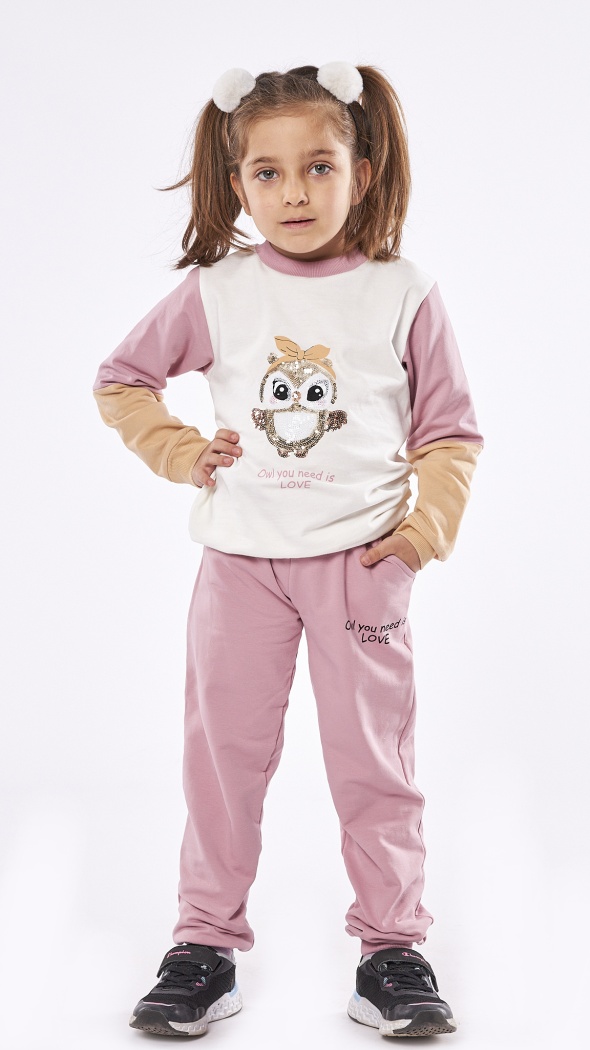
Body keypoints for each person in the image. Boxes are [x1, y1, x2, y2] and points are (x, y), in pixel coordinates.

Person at [92, 61, 484, 1039]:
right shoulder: (218, 291)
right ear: (238, 184)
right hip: (239, 567)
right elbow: (123, 379)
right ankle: (203, 945)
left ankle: (392, 950)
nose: (294, 192)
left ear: (362, 170)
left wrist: (419, 534)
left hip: (361, 567)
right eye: (266, 173)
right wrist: (181, 450)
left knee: (372, 764)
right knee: (222, 760)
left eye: (318, 166)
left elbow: (449, 431)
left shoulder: (402, 291)